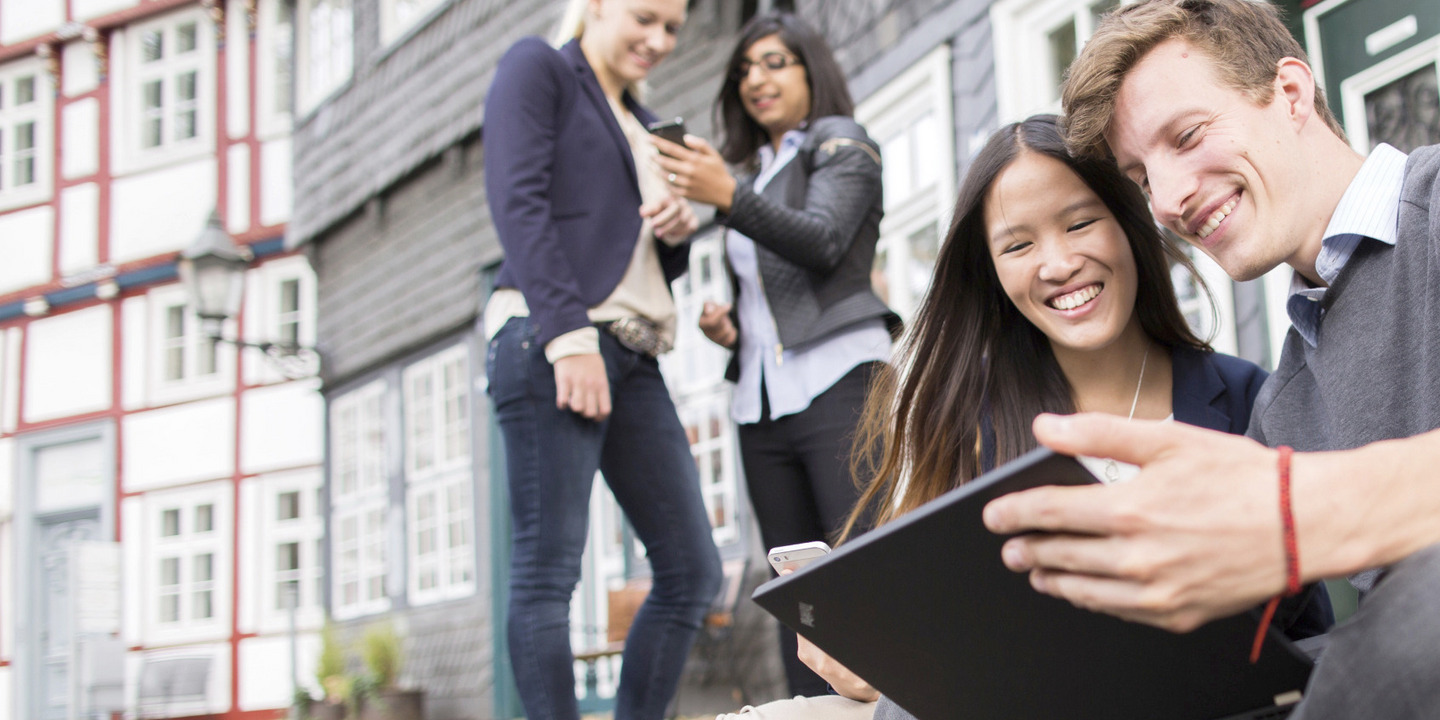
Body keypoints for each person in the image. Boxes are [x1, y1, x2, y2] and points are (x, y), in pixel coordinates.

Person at [716, 113, 1332, 720]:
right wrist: (878, 670)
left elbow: (1305, 639)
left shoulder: (1251, 401)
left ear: (1128, 224)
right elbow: (954, 644)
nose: (1058, 264)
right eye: (1018, 244)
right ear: (992, 273)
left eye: (1081, 222)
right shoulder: (968, 428)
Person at [982, 1, 1440, 718]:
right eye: (1139, 178)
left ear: (1290, 93)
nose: (1167, 201)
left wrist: (1298, 508)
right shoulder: (1286, 400)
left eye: (1189, 135)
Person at [481, 1, 723, 718]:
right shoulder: (539, 69)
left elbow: (633, 251)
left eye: (672, 28)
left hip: (635, 352)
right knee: (549, 570)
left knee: (690, 569)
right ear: (595, 6)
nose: (658, 40)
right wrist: (567, 338)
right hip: (552, 337)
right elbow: (517, 202)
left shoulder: (648, 127)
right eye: (643, 18)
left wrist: (677, 229)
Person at [653, 12, 897, 696]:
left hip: (840, 380)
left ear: (810, 68)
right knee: (798, 583)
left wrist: (729, 197)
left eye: (773, 63)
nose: (755, 80)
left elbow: (822, 240)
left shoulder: (841, 143)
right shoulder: (750, 171)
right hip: (761, 400)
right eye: (744, 70)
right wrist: (736, 330)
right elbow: (775, 290)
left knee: (859, 563)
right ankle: (811, 709)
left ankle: (891, 705)